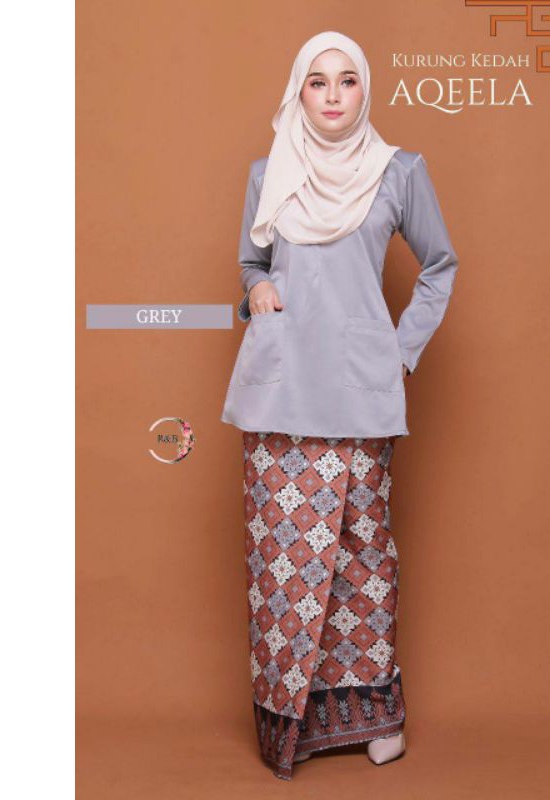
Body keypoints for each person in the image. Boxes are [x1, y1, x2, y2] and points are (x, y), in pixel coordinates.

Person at [220, 30, 459, 781]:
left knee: (363, 556)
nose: (332, 95)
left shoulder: (398, 172)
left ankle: (377, 716)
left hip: (358, 389)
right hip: (280, 390)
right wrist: (257, 285)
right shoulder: (270, 173)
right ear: (298, 91)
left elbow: (441, 265)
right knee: (282, 561)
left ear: (365, 91)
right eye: (317, 81)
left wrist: (400, 348)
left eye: (347, 80)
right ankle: (289, 722)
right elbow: (252, 261)